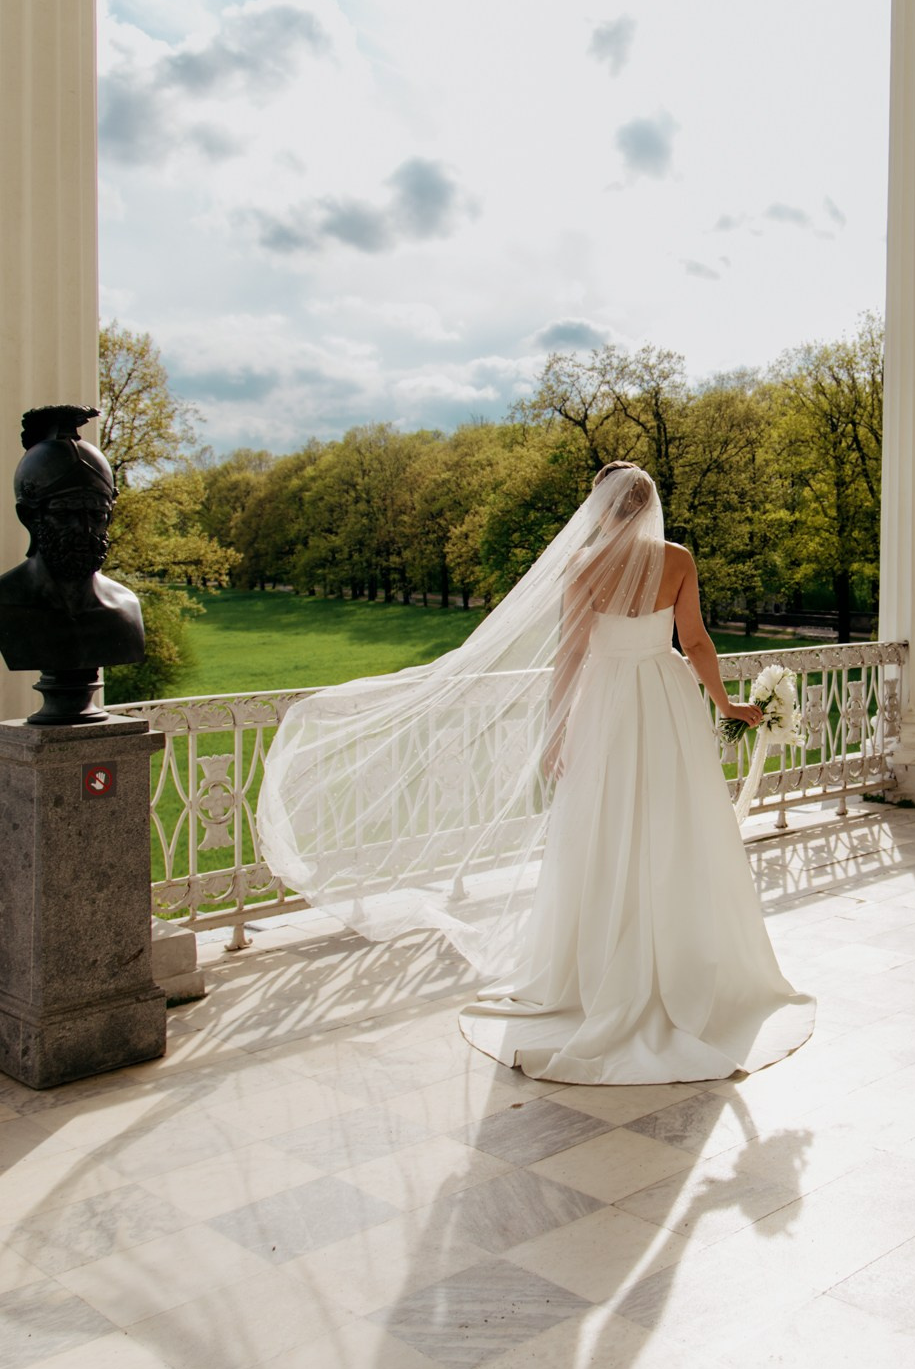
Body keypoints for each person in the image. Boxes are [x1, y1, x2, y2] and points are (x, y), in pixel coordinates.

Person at [258, 461, 813, 1084]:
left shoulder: (584, 566)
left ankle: (600, 967)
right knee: (673, 821)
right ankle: (680, 963)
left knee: (600, 827)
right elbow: (698, 642)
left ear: (602, 508)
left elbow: (570, 653)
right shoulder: (677, 559)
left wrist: (556, 729)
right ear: (647, 506)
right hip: (665, 697)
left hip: (606, 703)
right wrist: (725, 704)